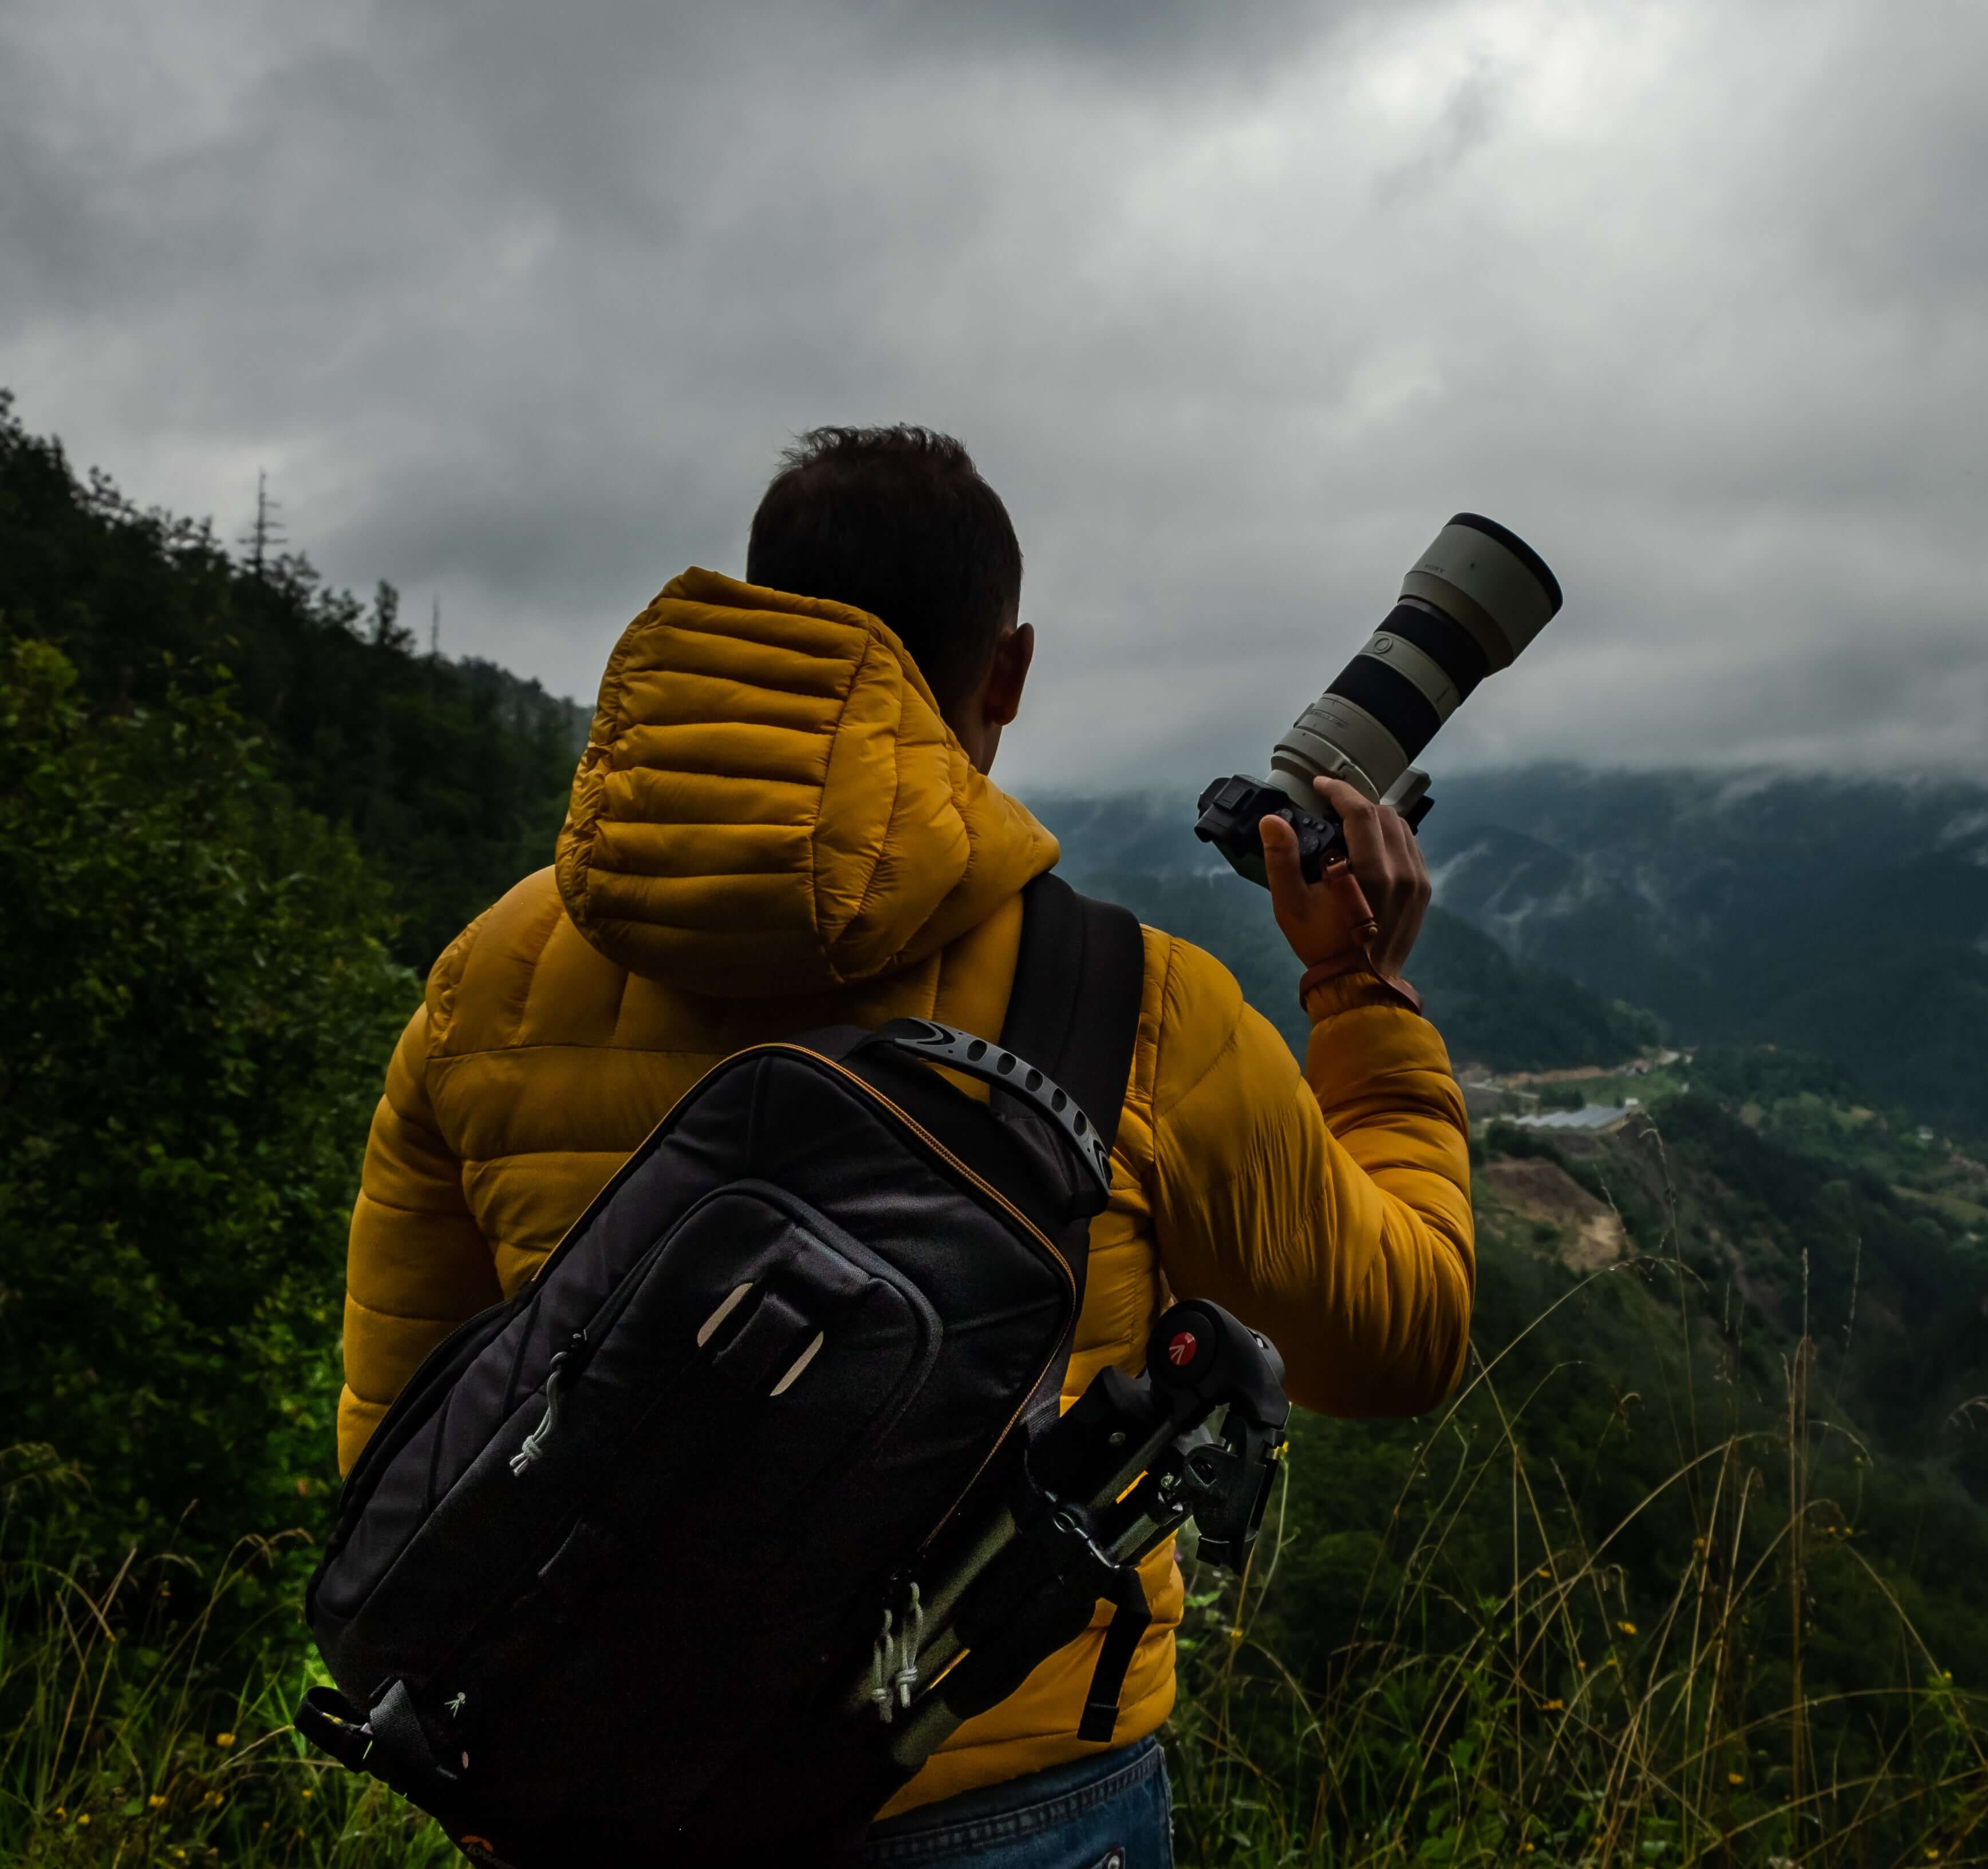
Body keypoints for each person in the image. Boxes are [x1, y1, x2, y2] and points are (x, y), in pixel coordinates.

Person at [333, 427, 1474, 1866]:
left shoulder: (483, 983)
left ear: (765, 623)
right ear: (1008, 670)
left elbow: (407, 1445)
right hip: (1005, 1804)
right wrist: (1361, 997)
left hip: (580, 1803)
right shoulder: (1137, 1003)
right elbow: (1403, 1336)